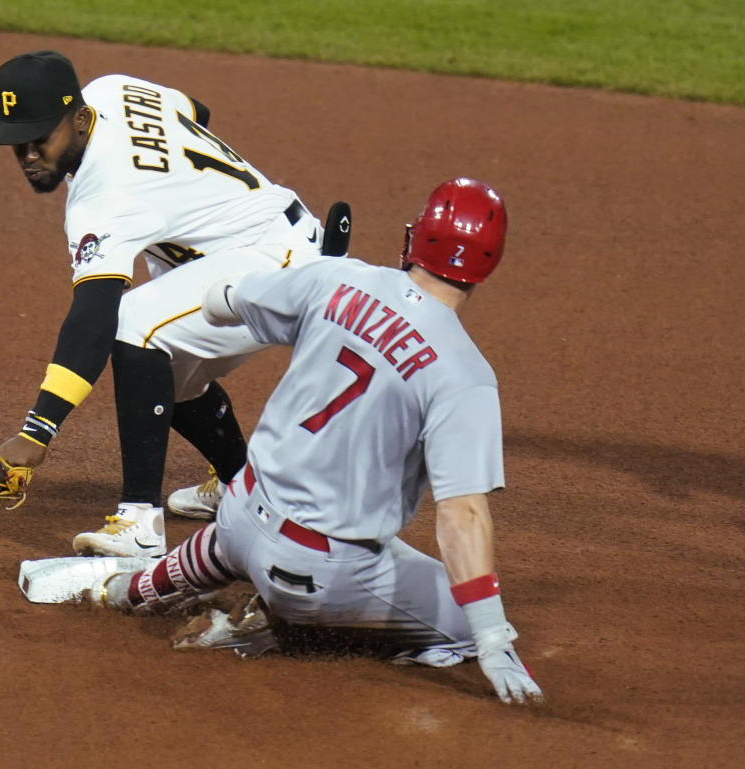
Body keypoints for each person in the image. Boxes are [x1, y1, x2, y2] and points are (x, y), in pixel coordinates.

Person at [84, 178, 544, 705]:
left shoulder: (338, 276)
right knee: (463, 623)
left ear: (415, 238)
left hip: (236, 512)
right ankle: (276, 627)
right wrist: (490, 636)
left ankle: (143, 587)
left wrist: (316, 292)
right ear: (487, 267)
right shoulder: (465, 375)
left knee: (262, 519)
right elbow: (462, 514)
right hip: (315, 575)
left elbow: (218, 302)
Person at [0, 50, 350, 557]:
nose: (28, 155)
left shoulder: (105, 196)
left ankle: (140, 523)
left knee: (134, 326)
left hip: (277, 266)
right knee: (167, 372)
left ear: (77, 121)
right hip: (275, 238)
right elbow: (194, 111)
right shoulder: (112, 89)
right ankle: (241, 487)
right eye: (17, 143)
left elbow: (94, 319)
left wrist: (37, 434)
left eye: (41, 138)